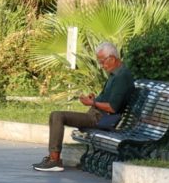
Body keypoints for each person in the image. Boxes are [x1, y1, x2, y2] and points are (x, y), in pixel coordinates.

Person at [33, 42, 135, 172]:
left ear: (112, 58)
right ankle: (53, 158)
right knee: (55, 114)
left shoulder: (121, 77)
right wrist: (95, 100)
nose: (101, 65)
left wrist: (92, 103)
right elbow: (109, 99)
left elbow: (112, 108)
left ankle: (55, 160)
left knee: (58, 116)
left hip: (101, 119)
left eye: (102, 61)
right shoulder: (116, 74)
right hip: (96, 115)